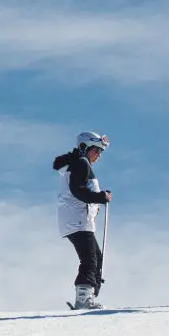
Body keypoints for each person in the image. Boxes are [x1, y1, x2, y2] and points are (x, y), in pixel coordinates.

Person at [54, 132, 112, 309]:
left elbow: (79, 191)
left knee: (95, 256)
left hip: (78, 219)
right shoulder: (80, 163)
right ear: (84, 147)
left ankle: (89, 295)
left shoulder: (78, 163)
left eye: (100, 152)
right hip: (77, 219)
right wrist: (99, 197)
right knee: (89, 258)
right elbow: (77, 191)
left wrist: (95, 203)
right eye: (96, 150)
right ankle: (84, 298)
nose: (98, 155)